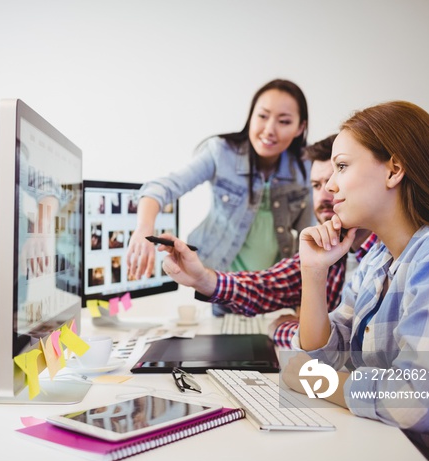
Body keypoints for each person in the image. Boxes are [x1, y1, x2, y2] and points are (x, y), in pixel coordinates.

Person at [282, 101, 429, 461]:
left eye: (341, 167)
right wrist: (314, 272)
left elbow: (415, 400)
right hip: (386, 444)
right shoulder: (378, 260)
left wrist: (314, 380)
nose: (330, 186)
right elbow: (322, 354)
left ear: (394, 170)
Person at [176, 135, 377, 347]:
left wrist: (283, 329)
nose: (325, 195)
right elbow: (269, 285)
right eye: (316, 185)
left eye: (333, 182)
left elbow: (344, 346)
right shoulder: (334, 248)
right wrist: (202, 278)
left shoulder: (387, 255)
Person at [127, 79, 314, 306]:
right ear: (251, 115)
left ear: (300, 128)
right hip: (215, 286)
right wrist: (144, 228)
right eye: (262, 116)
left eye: (284, 121)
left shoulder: (306, 169)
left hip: (268, 296)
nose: (269, 130)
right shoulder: (221, 152)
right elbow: (162, 187)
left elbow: (309, 239)